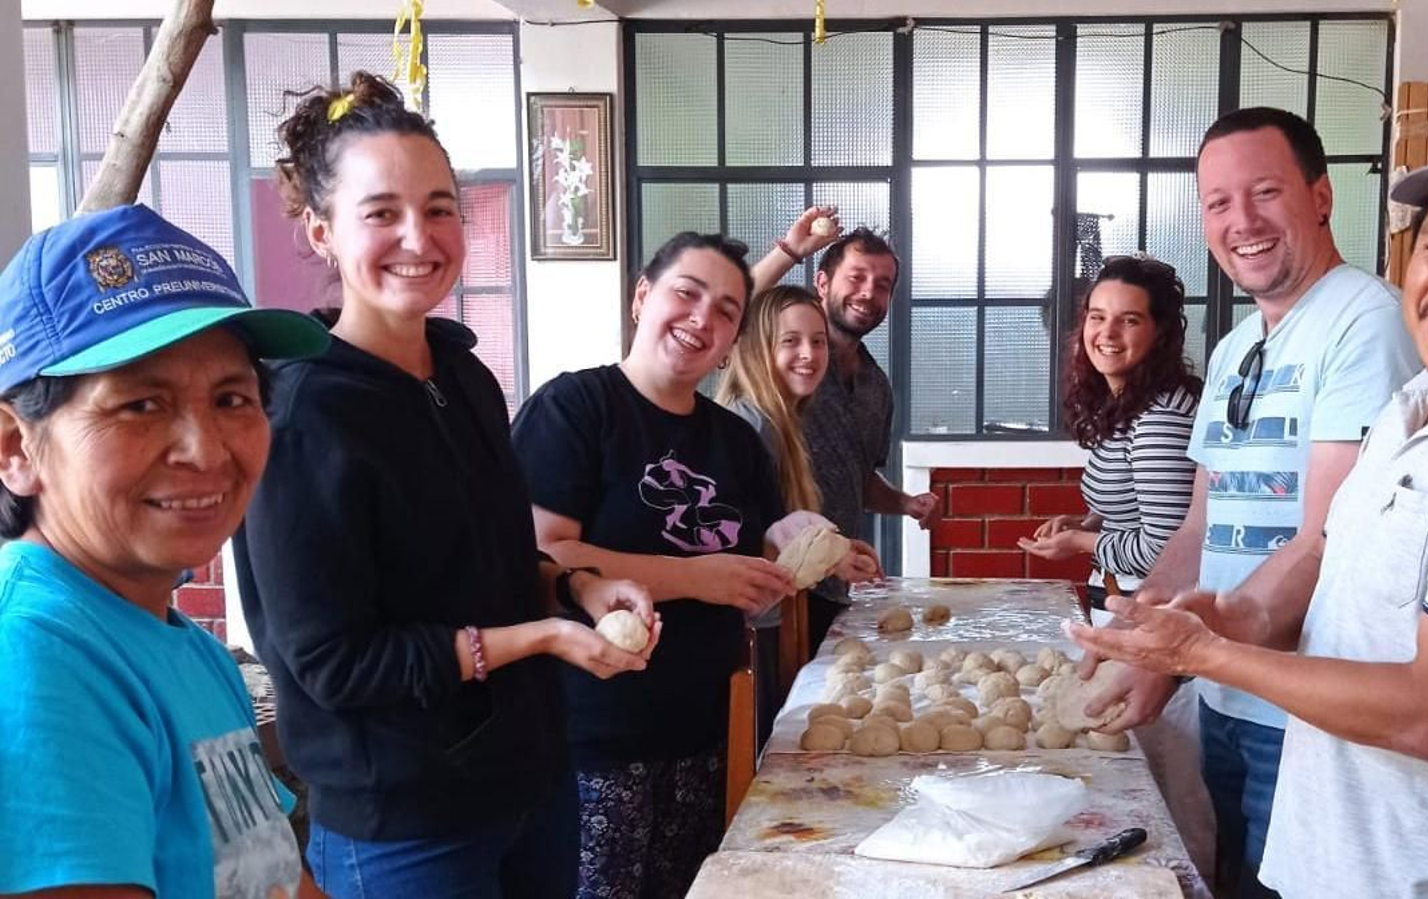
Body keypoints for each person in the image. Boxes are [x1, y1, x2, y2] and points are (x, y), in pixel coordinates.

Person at [1072, 111, 1428, 899]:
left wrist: (1201, 654)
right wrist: (1208, 621)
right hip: (1341, 840)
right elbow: (1321, 548)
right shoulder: (1422, 401)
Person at [233, 72, 657, 899]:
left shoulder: (464, 376)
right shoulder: (300, 415)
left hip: (531, 781)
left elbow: (493, 560)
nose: (417, 237)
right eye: (381, 213)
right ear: (320, 232)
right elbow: (333, 662)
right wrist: (537, 640)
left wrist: (578, 584)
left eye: (438, 207)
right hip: (405, 819)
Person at [1077, 107, 1420, 898]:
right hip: (1228, 697)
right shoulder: (1236, 349)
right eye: (1219, 204)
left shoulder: (1366, 324)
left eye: (1265, 192)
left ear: (1322, 195)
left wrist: (1188, 651)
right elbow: (1199, 524)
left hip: (1304, 716)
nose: (1243, 222)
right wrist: (1140, 633)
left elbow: (1328, 538)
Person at [0, 204, 330, 897]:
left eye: (233, 398)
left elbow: (275, 877)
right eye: (141, 405)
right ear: (15, 448)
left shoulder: (188, 648)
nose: (206, 450)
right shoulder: (34, 656)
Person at [512, 232, 832, 899]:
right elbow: (543, 554)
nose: (701, 321)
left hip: (704, 731)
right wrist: (698, 576)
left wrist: (817, 553)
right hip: (594, 737)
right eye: (686, 294)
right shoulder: (575, 408)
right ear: (641, 297)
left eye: (725, 312)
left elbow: (759, 559)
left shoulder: (734, 439)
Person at [751, 214, 942, 654]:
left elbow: (858, 479)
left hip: (836, 588)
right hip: (772, 590)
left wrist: (904, 503)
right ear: (822, 283)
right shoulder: (777, 367)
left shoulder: (876, 387)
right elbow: (728, 309)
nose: (868, 293)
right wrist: (789, 252)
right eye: (856, 277)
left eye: (882, 284)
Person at [715, 283, 881, 743]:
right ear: (756, 347)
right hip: (744, 636)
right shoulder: (749, 427)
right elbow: (744, 545)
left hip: (768, 622)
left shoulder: (780, 420)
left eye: (818, 340)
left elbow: (784, 528)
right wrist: (828, 558)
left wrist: (836, 550)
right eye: (790, 341)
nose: (808, 354)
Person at [1018, 254, 1201, 608]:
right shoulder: (1126, 403)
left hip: (1153, 611)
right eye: (1097, 317)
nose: (1107, 333)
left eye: (1129, 320)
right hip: (1125, 598)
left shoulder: (1161, 418)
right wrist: (1086, 523)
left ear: (1161, 332)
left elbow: (1164, 552)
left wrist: (1078, 541)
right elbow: (1137, 503)